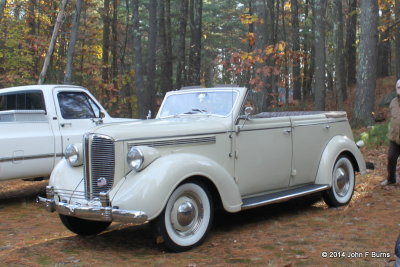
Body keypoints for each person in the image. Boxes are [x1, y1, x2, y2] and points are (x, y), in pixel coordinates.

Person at [383, 79, 400, 186]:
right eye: (399, 87)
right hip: (394, 137)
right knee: (391, 158)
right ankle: (391, 180)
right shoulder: (393, 102)